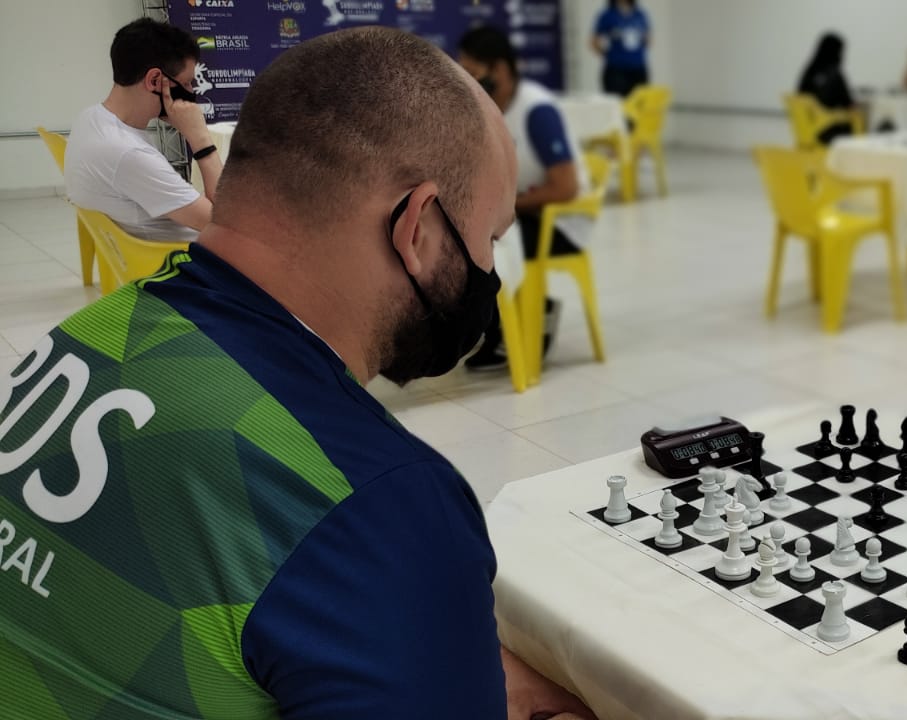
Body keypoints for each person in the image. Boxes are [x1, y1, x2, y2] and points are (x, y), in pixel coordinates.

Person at [0, 27, 594, 719]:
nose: (489, 270)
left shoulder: (87, 338)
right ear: (417, 227)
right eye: (488, 238)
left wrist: (434, 645)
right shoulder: (378, 504)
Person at [458, 25, 590, 371]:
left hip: (560, 221)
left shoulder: (536, 111)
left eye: (473, 71)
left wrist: (504, 207)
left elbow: (566, 188)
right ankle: (500, 327)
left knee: (483, 246)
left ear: (499, 69)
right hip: (524, 211)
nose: (467, 80)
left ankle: (522, 322)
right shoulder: (488, 110)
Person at [65, 18, 218, 242]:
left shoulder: (90, 118)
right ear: (155, 80)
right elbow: (229, 225)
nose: (191, 91)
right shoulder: (130, 153)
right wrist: (201, 140)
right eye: (186, 83)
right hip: (188, 254)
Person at [797, 32, 859, 146]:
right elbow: (849, 104)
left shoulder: (809, 72)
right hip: (828, 131)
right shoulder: (835, 74)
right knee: (857, 118)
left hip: (807, 128)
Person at [591, 0, 650, 98]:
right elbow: (594, 41)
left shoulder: (639, 14)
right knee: (617, 101)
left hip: (638, 67)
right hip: (616, 69)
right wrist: (607, 55)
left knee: (639, 101)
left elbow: (648, 38)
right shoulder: (608, 15)